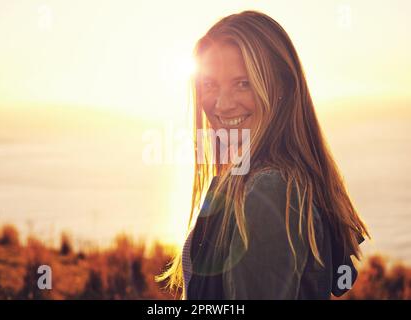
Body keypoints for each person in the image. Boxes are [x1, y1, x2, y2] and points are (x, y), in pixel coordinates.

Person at [156, 10, 369, 300]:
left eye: (243, 83)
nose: (222, 104)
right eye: (210, 85)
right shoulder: (247, 178)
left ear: (280, 86)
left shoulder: (269, 191)